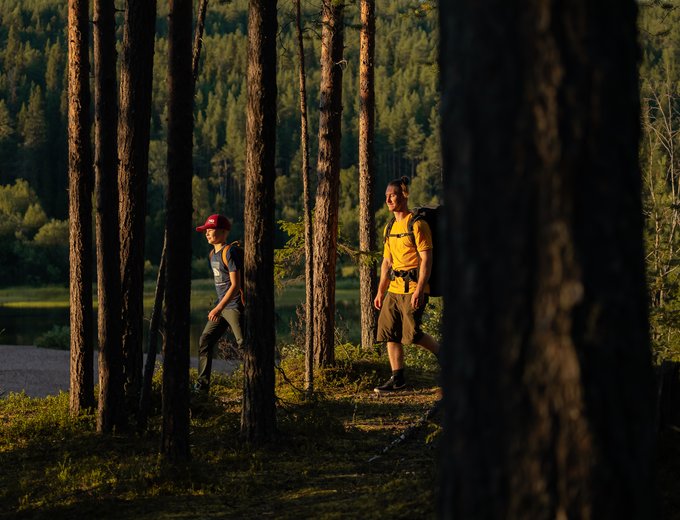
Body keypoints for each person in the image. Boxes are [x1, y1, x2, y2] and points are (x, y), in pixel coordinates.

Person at [373, 176, 440, 393]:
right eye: (386, 196)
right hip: (394, 289)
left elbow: (426, 260)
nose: (389, 199)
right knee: (389, 333)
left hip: (414, 288)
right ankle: (397, 379)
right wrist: (380, 291)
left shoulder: (417, 225)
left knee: (411, 335)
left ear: (404, 195)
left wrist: (420, 289)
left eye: (392, 195)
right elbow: (386, 262)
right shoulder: (389, 227)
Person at [194, 214, 244, 392]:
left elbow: (236, 285)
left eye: (210, 230)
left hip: (233, 306)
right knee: (205, 340)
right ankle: (201, 387)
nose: (207, 234)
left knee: (244, 343)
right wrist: (218, 307)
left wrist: (218, 307)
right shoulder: (211, 254)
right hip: (221, 307)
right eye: (205, 231)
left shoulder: (229, 252)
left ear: (223, 232)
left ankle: (253, 384)